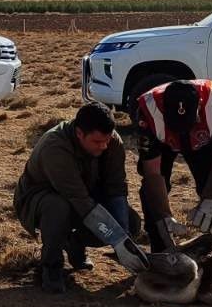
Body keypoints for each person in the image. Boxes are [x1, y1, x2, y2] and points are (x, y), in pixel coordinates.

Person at [14, 102, 150, 293]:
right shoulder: (55, 147)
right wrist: (116, 239)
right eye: (96, 142)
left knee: (131, 223)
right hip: (38, 200)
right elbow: (78, 199)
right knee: (58, 207)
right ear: (79, 133)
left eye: (107, 140)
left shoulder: (112, 142)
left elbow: (116, 189)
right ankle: (51, 267)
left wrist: (124, 239)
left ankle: (74, 243)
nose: (103, 146)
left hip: (85, 197)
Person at [136, 79, 212, 252]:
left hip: (203, 140)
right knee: (151, 193)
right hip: (163, 143)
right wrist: (163, 216)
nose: (181, 130)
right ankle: (161, 249)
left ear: (199, 105)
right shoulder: (148, 111)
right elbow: (152, 172)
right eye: (175, 124)